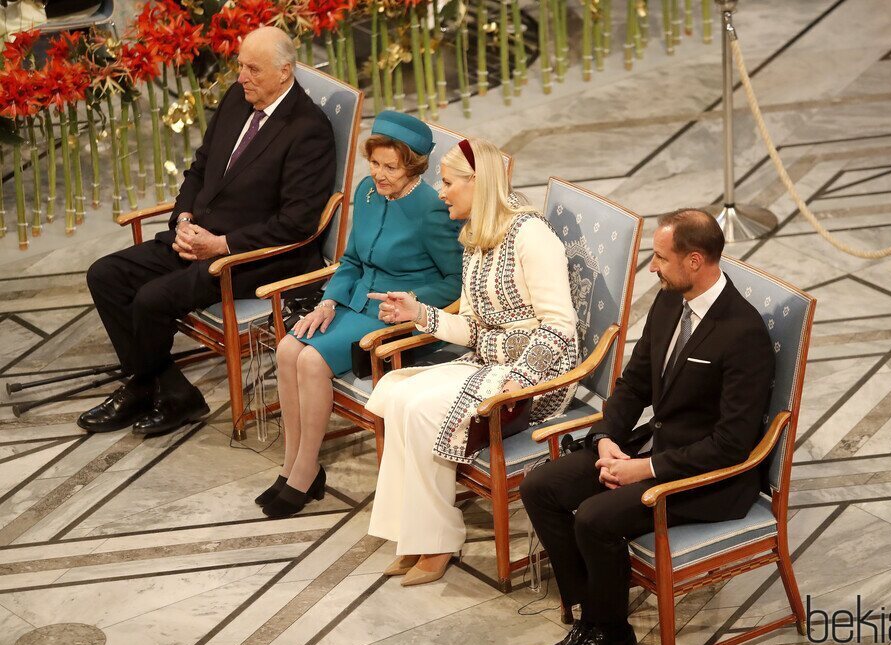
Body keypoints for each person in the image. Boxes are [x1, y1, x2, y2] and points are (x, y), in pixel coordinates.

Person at [521, 209, 775, 645]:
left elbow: (731, 445)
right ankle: (592, 617)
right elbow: (635, 383)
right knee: (541, 486)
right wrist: (606, 439)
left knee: (596, 519)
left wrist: (646, 469)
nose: (652, 267)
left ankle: (611, 637)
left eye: (660, 257)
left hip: (707, 479)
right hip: (650, 450)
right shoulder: (669, 299)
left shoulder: (743, 333)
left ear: (695, 261)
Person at [79, 26, 335, 437]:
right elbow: (199, 169)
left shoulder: (308, 130)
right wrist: (183, 221)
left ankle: (143, 386)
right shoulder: (239, 98)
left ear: (285, 72)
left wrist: (220, 244)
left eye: (252, 69)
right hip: (199, 236)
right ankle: (167, 389)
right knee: (105, 275)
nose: (241, 78)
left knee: (150, 300)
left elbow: (296, 223)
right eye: (240, 66)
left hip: (257, 256)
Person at [363, 138, 579, 587]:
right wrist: (420, 314)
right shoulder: (477, 238)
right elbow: (476, 329)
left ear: (477, 184)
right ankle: (415, 536)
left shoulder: (532, 236)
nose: (440, 192)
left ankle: (439, 540)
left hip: (536, 380)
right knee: (397, 395)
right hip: (490, 364)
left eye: (447, 183)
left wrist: (516, 382)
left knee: (421, 408)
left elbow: (560, 328)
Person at [257, 112, 464, 519]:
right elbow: (350, 259)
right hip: (351, 302)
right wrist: (328, 301)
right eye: (375, 164)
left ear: (414, 166)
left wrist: (407, 299)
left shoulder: (432, 209)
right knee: (286, 349)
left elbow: (455, 282)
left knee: (312, 360)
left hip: (395, 317)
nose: (380, 174)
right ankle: (293, 465)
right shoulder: (367, 192)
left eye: (391, 167)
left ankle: (303, 473)